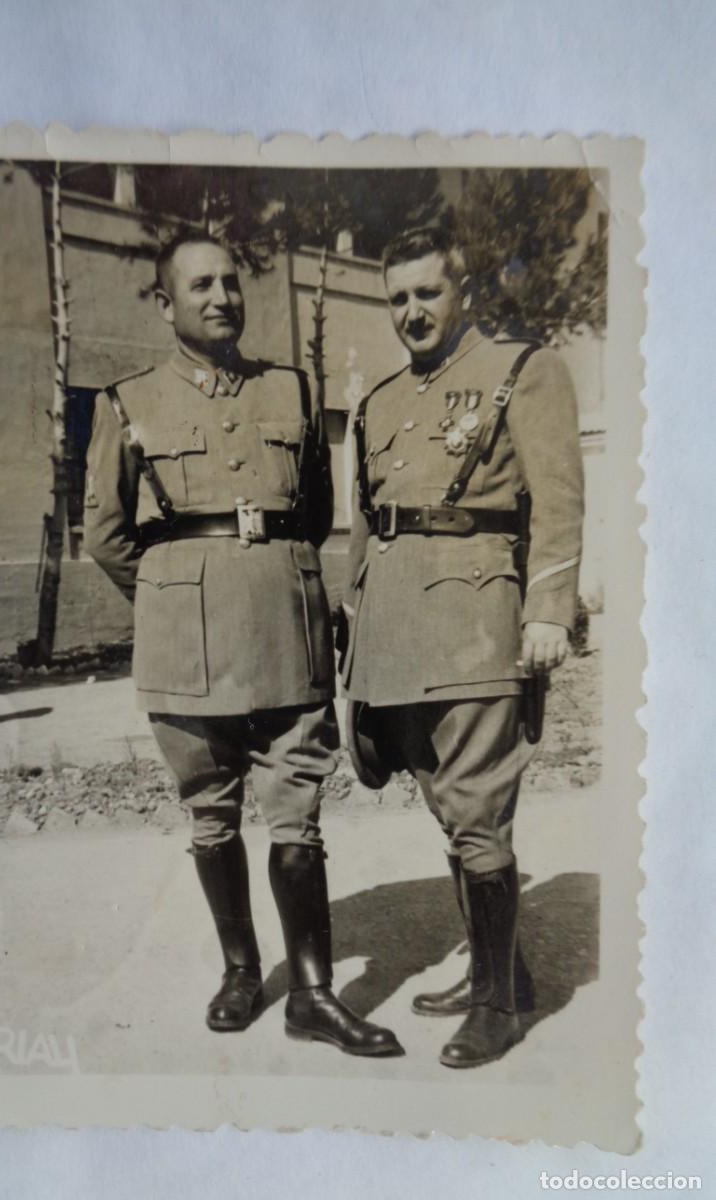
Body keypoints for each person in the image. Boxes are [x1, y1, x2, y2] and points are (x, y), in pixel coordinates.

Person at [84, 229, 402, 1058]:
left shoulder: (292, 392)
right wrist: (172, 597)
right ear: (165, 303)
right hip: (182, 657)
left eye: (232, 281)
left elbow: (317, 516)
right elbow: (107, 536)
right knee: (211, 817)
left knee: (299, 817)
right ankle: (237, 969)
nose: (223, 296)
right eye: (201, 286)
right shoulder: (125, 402)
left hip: (284, 641)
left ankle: (315, 994)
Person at [341, 226, 583, 1068]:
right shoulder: (379, 402)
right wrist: (353, 619)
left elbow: (558, 498)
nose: (412, 311)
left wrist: (549, 607)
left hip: (482, 615)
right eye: (398, 298)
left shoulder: (523, 370)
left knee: (479, 812)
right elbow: (366, 528)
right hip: (398, 625)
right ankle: (502, 972)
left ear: (463, 289)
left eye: (427, 293)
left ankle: (496, 1008)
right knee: (447, 806)